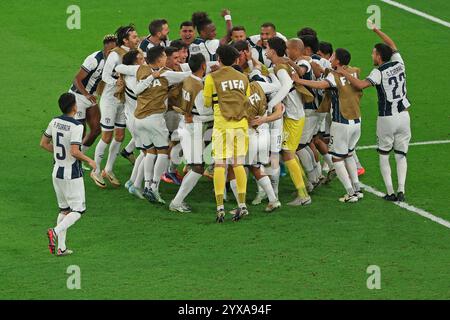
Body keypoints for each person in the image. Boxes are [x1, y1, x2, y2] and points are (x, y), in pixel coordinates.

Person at [336, 24, 411, 202]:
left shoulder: (379, 72)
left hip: (387, 118)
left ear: (379, 56)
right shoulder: (399, 63)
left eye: (373, 53)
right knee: (401, 155)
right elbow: (392, 45)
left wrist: (344, 73)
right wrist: (377, 31)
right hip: (404, 115)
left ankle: (390, 192)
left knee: (384, 155)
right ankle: (401, 190)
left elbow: (361, 85)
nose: (372, 55)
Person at [293, 48, 364, 202]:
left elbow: (321, 85)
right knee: (349, 155)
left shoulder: (334, 76)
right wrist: (312, 61)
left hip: (341, 122)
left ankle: (350, 193)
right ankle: (357, 189)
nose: (331, 58)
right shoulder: (354, 71)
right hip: (357, 120)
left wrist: (299, 80)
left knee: (337, 159)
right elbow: (329, 72)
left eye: (333, 57)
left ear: (338, 61)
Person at [133, 46, 191, 204]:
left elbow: (137, 90)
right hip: (154, 119)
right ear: (159, 60)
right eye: (165, 56)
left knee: (150, 152)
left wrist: (151, 77)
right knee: (164, 153)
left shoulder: (141, 69)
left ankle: (146, 185)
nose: (167, 59)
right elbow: (187, 76)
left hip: (138, 119)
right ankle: (154, 187)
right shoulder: (166, 74)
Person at [41, 93, 96, 256]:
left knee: (64, 210)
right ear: (74, 107)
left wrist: (59, 151)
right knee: (78, 210)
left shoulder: (54, 121)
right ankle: (55, 232)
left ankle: (61, 247)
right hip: (71, 173)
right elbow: (74, 151)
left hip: (56, 172)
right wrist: (90, 161)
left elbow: (43, 143)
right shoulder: (77, 126)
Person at [203, 45, 251, 222]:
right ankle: (242, 204)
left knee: (220, 165)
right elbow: (246, 100)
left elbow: (207, 102)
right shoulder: (244, 77)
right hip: (241, 124)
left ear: (219, 59)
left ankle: (220, 206)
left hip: (222, 124)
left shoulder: (211, 78)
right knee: (238, 163)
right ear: (237, 60)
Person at [91, 25, 140, 188]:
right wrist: (116, 82)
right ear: (125, 40)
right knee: (106, 136)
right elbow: (105, 75)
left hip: (123, 100)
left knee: (119, 136)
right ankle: (96, 170)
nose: (137, 38)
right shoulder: (115, 54)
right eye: (134, 37)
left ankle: (108, 169)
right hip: (110, 99)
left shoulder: (136, 53)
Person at [266, 37, 311, 206]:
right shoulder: (276, 67)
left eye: (268, 47)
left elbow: (285, 86)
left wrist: (271, 104)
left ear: (273, 51)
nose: (266, 49)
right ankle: (305, 185)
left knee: (288, 154)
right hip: (294, 115)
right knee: (289, 154)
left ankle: (303, 194)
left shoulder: (280, 67)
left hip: (293, 116)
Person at [169, 53, 213, 212]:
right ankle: (176, 202)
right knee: (198, 167)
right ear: (203, 66)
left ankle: (177, 199)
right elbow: (202, 112)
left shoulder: (188, 79)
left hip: (187, 125)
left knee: (197, 165)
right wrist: (220, 113)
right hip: (192, 129)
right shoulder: (199, 86)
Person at [69, 35, 117, 158]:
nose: (112, 52)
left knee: (96, 129)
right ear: (105, 49)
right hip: (78, 96)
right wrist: (86, 94)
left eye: (114, 49)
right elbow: (77, 79)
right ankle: (69, 158)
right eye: (110, 50)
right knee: (80, 132)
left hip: (92, 97)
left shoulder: (113, 60)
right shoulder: (94, 59)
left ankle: (79, 157)